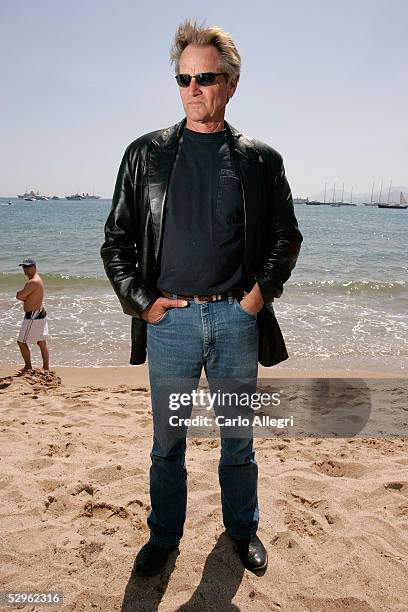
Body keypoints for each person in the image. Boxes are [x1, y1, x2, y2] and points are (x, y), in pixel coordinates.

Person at [101, 20, 303, 576]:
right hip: (171, 324)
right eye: (183, 77)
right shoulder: (144, 155)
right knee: (168, 445)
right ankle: (164, 537)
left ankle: (242, 530)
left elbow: (288, 237)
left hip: (237, 321)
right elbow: (115, 241)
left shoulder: (260, 160)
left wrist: (257, 298)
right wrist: (144, 303)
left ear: (231, 83)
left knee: (238, 442)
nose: (192, 88)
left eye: (205, 77)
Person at [16, 257, 49, 373]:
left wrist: (21, 295)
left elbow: (19, 296)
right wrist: (25, 296)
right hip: (40, 313)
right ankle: (46, 367)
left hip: (34, 315)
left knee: (21, 341)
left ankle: (28, 366)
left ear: (34, 267)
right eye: (24, 267)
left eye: (28, 267)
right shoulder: (36, 279)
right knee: (41, 342)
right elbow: (25, 296)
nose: (25, 270)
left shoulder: (33, 282)